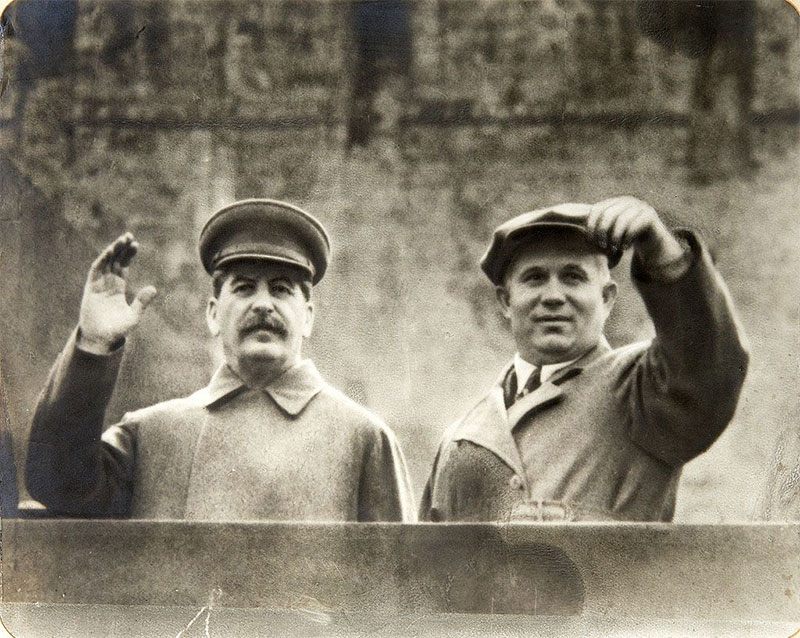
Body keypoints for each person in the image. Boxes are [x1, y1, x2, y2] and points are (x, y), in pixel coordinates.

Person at [26, 199, 415, 521]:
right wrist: (93, 343)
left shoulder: (364, 439)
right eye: (244, 288)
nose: (263, 304)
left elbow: (401, 579)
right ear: (213, 314)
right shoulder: (153, 434)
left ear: (308, 318)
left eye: (281, 290)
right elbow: (56, 485)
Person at [420, 196, 748, 522]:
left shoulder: (643, 391)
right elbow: (424, 552)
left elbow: (709, 363)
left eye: (573, 277)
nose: (553, 296)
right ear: (506, 301)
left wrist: (665, 255)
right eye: (534, 278)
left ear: (606, 298)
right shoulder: (462, 437)